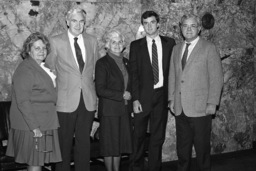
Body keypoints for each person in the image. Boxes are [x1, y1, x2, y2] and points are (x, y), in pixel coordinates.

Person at [45, 6, 99, 171]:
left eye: (81, 21)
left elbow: (95, 70)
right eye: (74, 21)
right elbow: (49, 71)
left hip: (87, 101)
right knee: (64, 143)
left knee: (84, 144)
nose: (78, 25)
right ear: (67, 22)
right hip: (64, 101)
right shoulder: (55, 41)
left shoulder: (92, 41)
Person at [168, 14, 223, 171]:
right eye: (185, 26)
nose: (189, 29)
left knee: (202, 149)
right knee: (182, 149)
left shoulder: (209, 48)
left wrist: (212, 103)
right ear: (181, 28)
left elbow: (216, 78)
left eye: (192, 26)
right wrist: (171, 98)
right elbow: (173, 75)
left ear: (199, 28)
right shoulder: (176, 49)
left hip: (201, 108)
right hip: (180, 108)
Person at [6, 32, 61, 171]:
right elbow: (23, 101)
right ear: (29, 50)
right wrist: (34, 126)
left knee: (38, 162)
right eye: (37, 48)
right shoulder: (25, 69)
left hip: (44, 121)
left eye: (43, 48)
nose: (41, 51)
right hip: (32, 124)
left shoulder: (42, 66)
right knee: (35, 163)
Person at [129, 11, 176, 171]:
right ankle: (136, 167)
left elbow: (174, 72)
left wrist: (172, 97)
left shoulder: (170, 43)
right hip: (142, 98)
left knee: (158, 137)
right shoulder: (136, 46)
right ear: (143, 25)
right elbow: (134, 74)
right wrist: (135, 100)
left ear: (158, 24)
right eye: (145, 23)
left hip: (162, 96)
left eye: (152, 22)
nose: (149, 26)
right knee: (138, 136)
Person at [95, 29, 133, 171]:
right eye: (113, 42)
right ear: (107, 45)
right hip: (109, 111)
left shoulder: (127, 62)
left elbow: (132, 85)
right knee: (109, 147)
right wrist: (121, 95)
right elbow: (100, 89)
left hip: (124, 111)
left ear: (123, 45)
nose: (117, 45)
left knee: (118, 146)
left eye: (119, 42)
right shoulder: (102, 63)